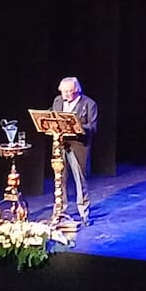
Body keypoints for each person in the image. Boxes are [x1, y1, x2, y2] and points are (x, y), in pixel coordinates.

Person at [51, 76, 97, 225]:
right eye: (63, 91)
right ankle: (60, 211)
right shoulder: (58, 101)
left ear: (77, 91)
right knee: (60, 179)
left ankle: (84, 213)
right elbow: (51, 116)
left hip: (78, 146)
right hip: (60, 145)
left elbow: (93, 127)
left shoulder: (89, 104)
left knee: (79, 180)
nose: (65, 94)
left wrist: (77, 126)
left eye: (69, 91)